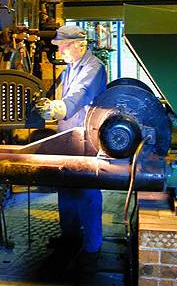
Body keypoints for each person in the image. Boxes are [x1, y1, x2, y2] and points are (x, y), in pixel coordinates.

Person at [37, 25, 107, 270]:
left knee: (86, 192)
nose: (61, 51)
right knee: (65, 187)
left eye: (64, 46)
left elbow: (80, 94)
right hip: (69, 136)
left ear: (80, 44)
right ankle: (70, 237)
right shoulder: (70, 67)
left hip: (87, 138)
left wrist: (58, 108)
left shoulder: (94, 67)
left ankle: (91, 247)